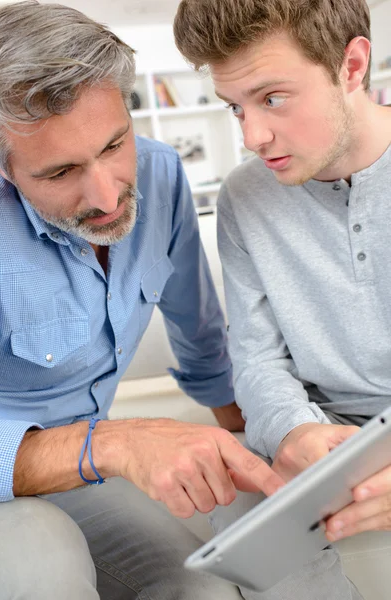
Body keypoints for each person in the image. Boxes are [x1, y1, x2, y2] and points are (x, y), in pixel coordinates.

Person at [0, 2, 285, 599]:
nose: (106, 197)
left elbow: (198, 333)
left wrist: (260, 446)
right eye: (59, 172)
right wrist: (117, 442)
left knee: (204, 589)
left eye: (114, 143)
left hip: (88, 469)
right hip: (10, 479)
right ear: (1, 165)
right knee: (46, 569)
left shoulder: (160, 174)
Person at [174, 0, 391, 598]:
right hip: (327, 424)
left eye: (271, 98)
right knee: (239, 509)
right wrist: (294, 432)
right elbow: (258, 359)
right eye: (234, 107)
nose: (252, 136)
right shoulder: (244, 197)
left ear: (351, 66)